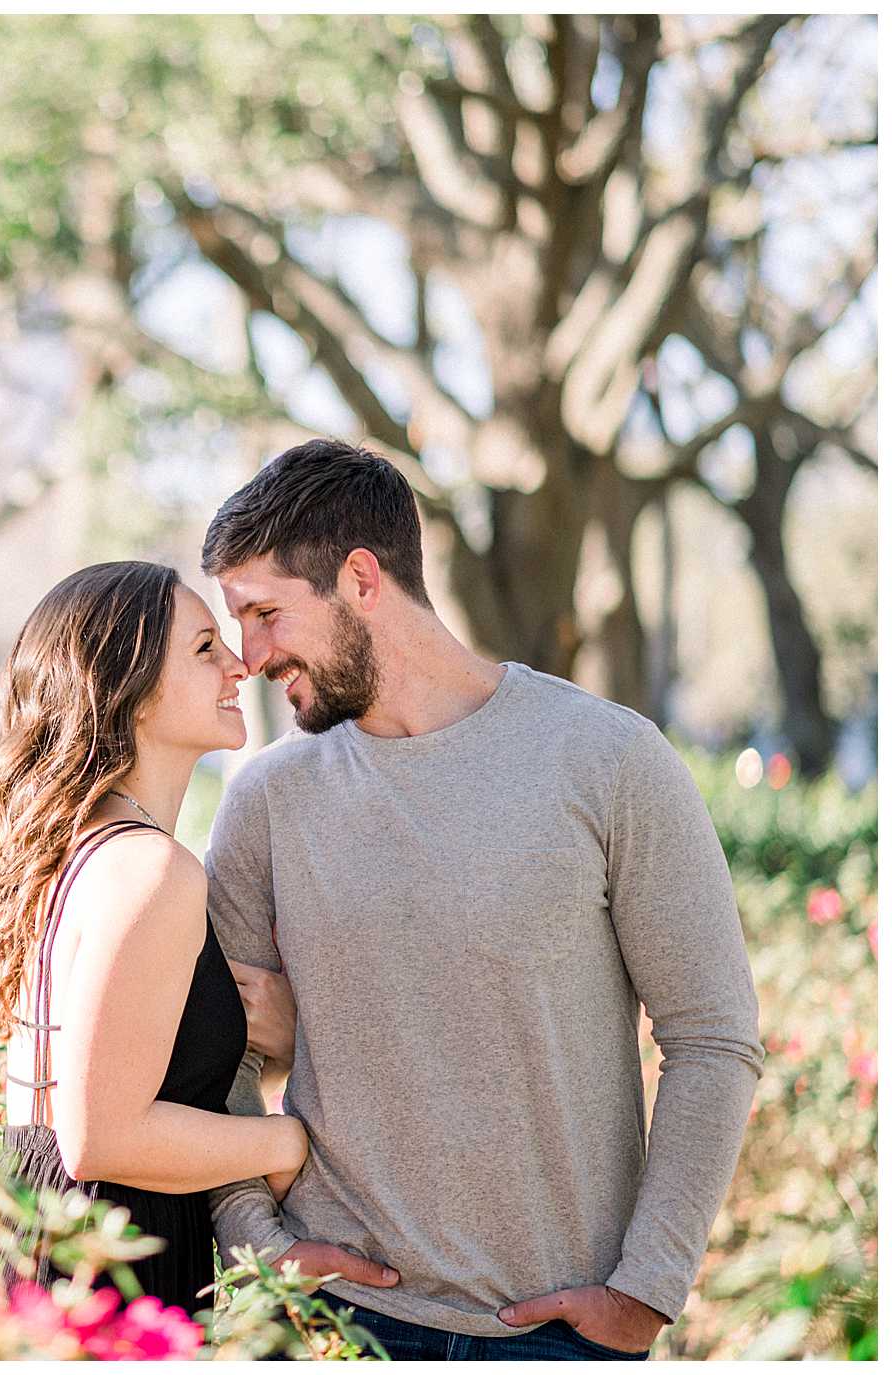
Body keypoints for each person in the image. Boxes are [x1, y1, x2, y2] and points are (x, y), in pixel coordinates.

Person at [199, 438, 763, 1360]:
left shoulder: (609, 760)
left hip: (552, 1332)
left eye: (266, 613)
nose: (250, 654)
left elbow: (713, 1036)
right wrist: (257, 1245)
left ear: (361, 577)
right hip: (327, 1323)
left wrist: (647, 1289)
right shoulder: (266, 800)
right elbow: (214, 1055)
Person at [0, 559, 313, 1313]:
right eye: (205, 648)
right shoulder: (151, 868)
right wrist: (290, 1141)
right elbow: (102, 1135)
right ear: (133, 691)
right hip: (100, 1253)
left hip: (51, 1230)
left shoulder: (92, 846)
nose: (240, 665)